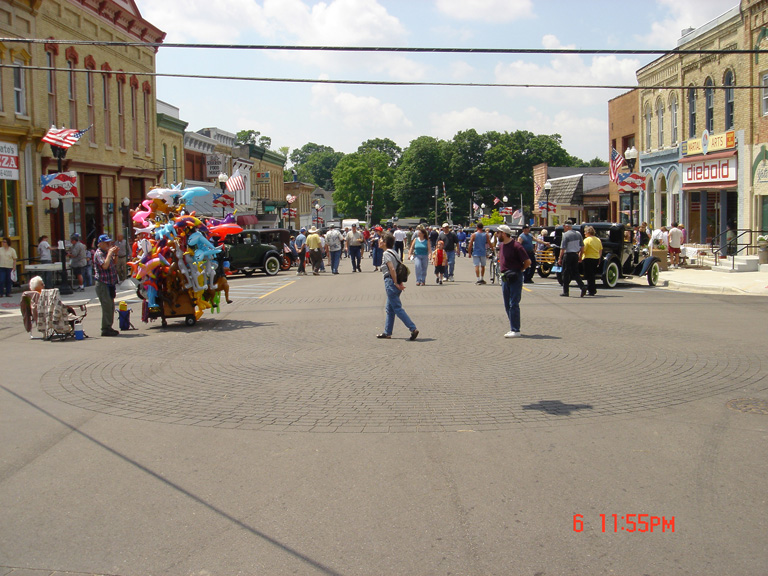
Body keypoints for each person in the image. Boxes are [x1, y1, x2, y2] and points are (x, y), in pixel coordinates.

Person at [377, 231, 418, 341]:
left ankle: (412, 328)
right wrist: (399, 283)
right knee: (389, 309)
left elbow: (392, 269)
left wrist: (395, 283)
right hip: (395, 281)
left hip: (390, 282)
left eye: (381, 239)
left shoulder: (386, 254)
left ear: (385, 242)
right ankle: (387, 332)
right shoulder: (394, 252)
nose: (379, 241)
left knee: (397, 308)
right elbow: (400, 267)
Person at [497, 225, 531, 338]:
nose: (497, 234)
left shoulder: (517, 246)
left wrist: (519, 270)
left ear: (504, 233)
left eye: (499, 232)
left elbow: (527, 261)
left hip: (515, 276)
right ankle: (513, 327)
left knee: (513, 303)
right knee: (507, 304)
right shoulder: (502, 246)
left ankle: (516, 329)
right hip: (505, 277)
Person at [93, 234, 120, 336]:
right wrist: (109, 253)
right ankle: (105, 328)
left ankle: (109, 326)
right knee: (107, 306)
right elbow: (104, 265)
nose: (109, 244)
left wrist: (115, 254)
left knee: (111, 306)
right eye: (106, 243)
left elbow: (113, 263)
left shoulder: (106, 253)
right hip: (102, 283)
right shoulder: (99, 253)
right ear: (100, 244)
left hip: (110, 282)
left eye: (109, 242)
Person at [557, 221, 587, 298]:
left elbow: (562, 248)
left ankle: (566, 291)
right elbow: (582, 247)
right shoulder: (578, 234)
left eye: (564, 226)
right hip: (575, 255)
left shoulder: (566, 235)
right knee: (575, 272)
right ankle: (582, 286)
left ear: (567, 226)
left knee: (566, 273)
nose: (564, 228)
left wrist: (560, 258)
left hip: (568, 254)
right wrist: (580, 256)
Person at [582, 226, 603, 296]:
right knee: (592, 274)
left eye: (585, 232)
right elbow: (600, 250)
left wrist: (580, 255)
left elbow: (584, 250)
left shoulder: (587, 240)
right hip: (596, 258)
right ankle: (592, 288)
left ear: (588, 232)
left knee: (589, 275)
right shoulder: (598, 240)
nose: (584, 233)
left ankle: (591, 290)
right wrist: (599, 258)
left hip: (588, 258)